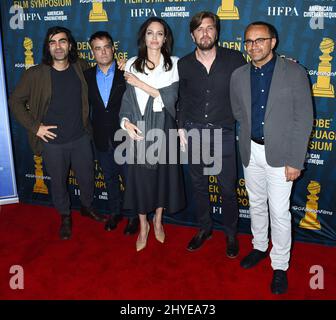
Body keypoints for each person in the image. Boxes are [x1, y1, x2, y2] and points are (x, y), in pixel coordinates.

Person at [230, 21, 313, 294]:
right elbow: (239, 113)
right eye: (249, 41)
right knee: (256, 204)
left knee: (279, 211)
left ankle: (280, 265)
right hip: (251, 151)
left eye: (260, 40)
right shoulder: (239, 75)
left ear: (273, 42)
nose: (254, 46)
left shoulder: (295, 72)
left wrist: (295, 159)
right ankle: (258, 246)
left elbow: (304, 119)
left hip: (282, 155)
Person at [9, 26, 106, 240]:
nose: (58, 46)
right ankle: (65, 216)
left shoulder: (80, 67)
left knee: (87, 178)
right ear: (48, 47)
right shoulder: (35, 74)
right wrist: (35, 127)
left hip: (80, 137)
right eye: (53, 42)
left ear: (70, 45)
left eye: (62, 41)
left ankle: (87, 207)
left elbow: (103, 77)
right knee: (59, 182)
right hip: (53, 143)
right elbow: (15, 101)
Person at [177, 11, 246, 257]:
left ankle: (230, 234)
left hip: (223, 134)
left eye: (209, 28)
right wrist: (180, 127)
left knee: (227, 189)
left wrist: (282, 65)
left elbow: (254, 81)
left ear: (216, 31)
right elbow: (181, 99)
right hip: (193, 132)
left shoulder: (235, 59)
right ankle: (204, 228)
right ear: (192, 35)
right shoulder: (184, 64)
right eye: (199, 29)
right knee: (199, 186)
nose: (205, 33)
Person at [119, 17, 186, 251]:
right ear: (143, 37)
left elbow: (171, 97)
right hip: (139, 130)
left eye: (159, 33)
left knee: (162, 179)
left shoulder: (174, 64)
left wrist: (139, 82)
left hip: (165, 128)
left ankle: (158, 221)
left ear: (165, 38)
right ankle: (143, 225)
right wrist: (125, 123)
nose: (155, 38)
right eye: (150, 33)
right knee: (140, 181)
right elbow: (127, 100)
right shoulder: (131, 63)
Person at [85, 31, 139, 234]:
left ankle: (133, 217)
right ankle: (115, 213)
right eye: (98, 48)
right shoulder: (87, 76)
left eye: (106, 46)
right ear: (92, 52)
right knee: (109, 178)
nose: (103, 52)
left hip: (124, 136)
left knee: (129, 179)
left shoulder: (128, 72)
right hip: (100, 137)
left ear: (113, 48)